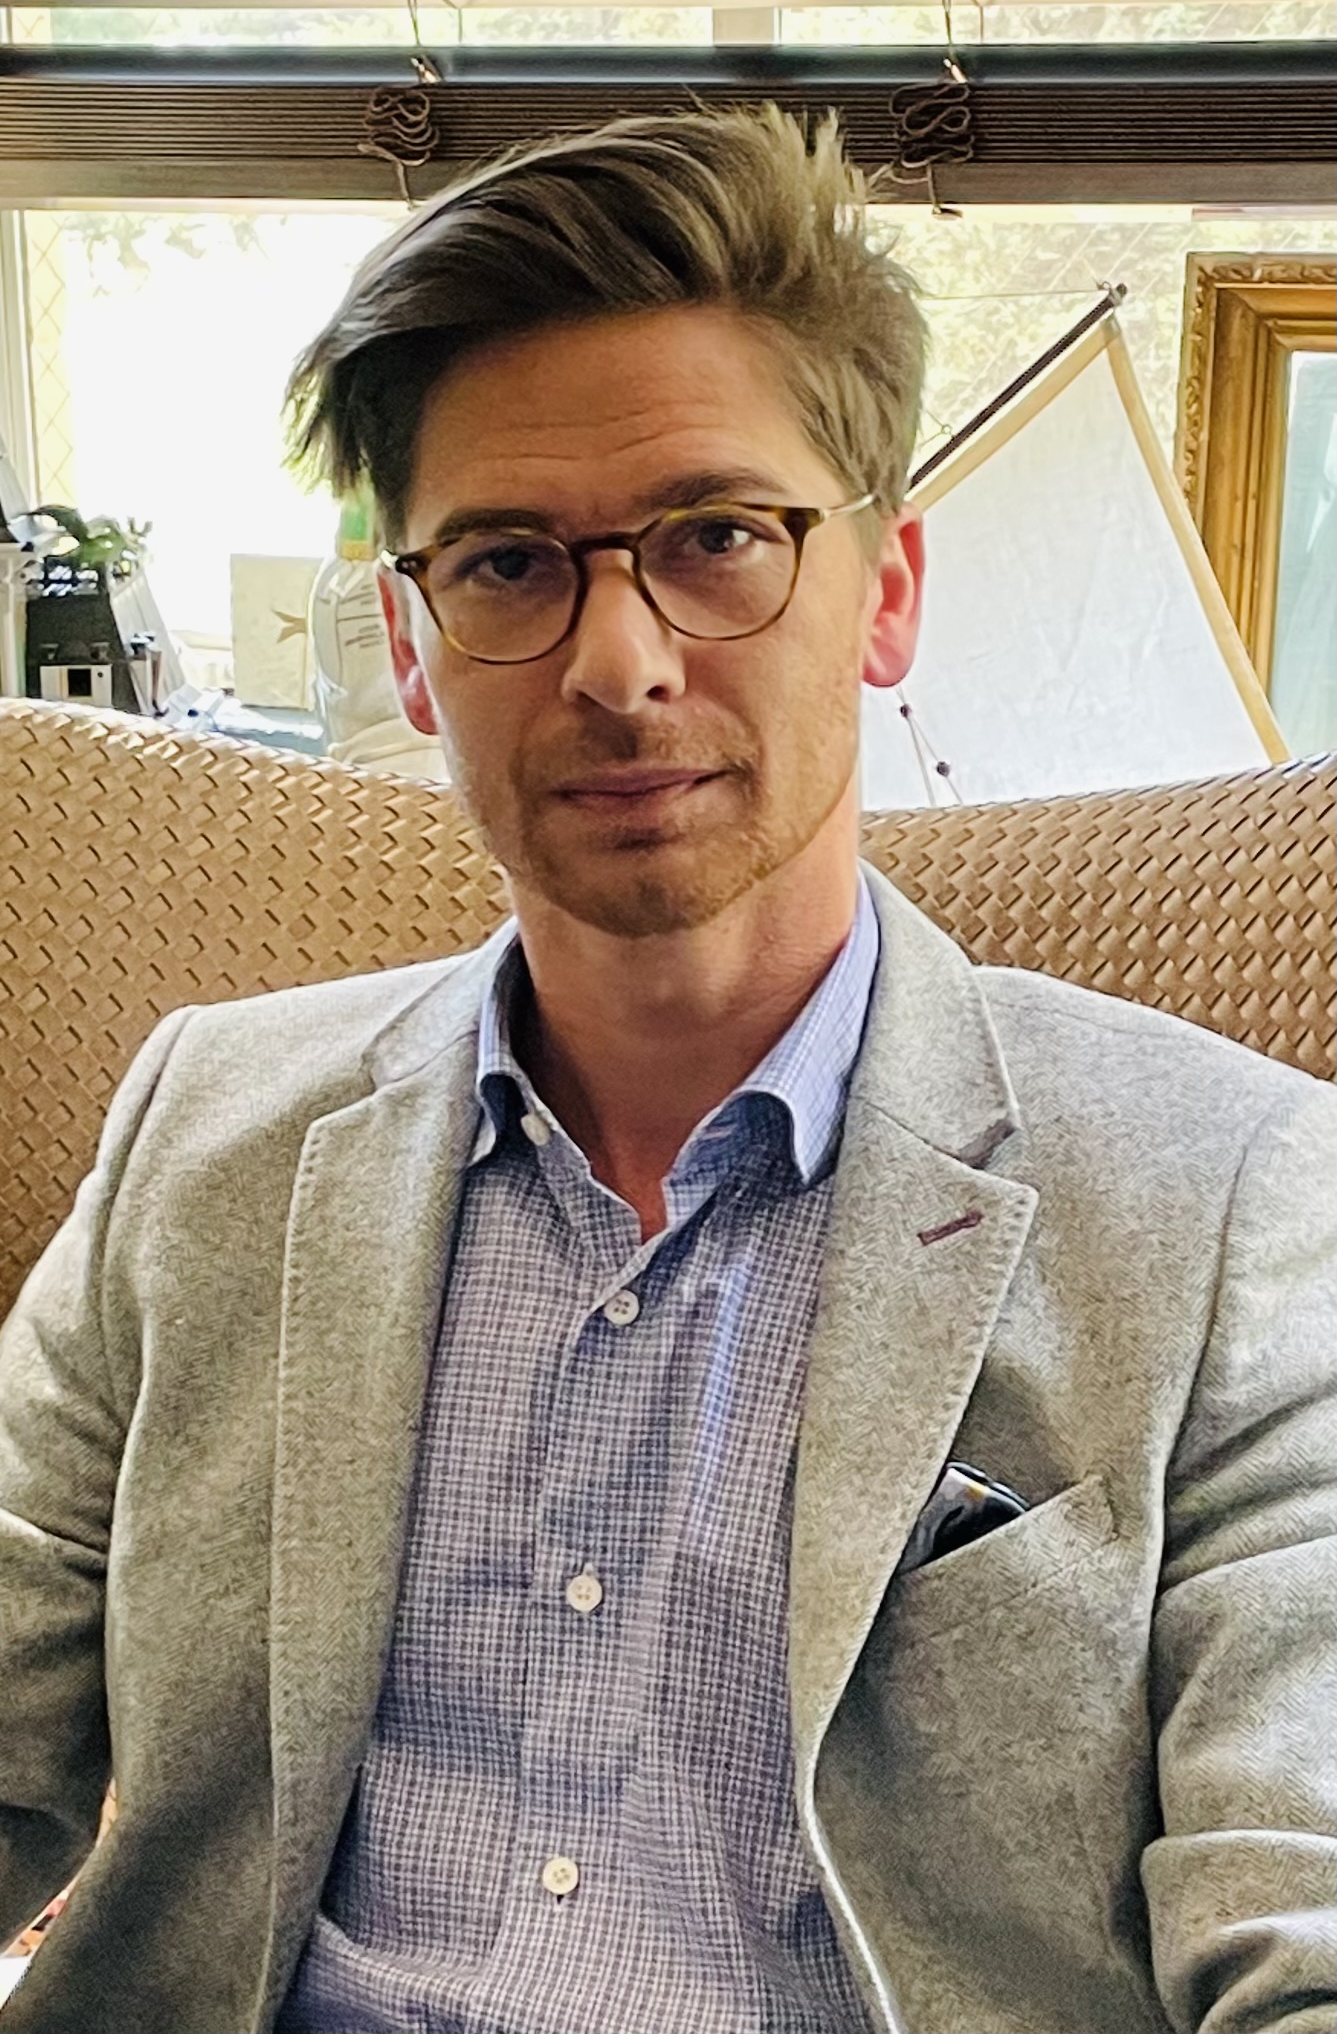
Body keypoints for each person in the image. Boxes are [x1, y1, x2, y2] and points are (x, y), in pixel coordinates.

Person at [1, 108, 1334, 2034]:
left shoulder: (1232, 1200)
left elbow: (1303, 1906)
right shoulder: (204, 1129)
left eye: (716, 537)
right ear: (411, 640)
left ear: (885, 589)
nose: (618, 665)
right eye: (508, 563)